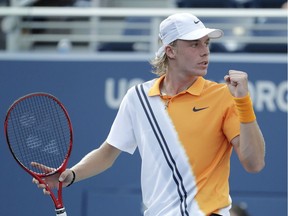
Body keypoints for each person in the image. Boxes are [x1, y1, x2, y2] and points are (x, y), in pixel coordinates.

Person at [33, 13, 266, 216]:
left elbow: (254, 163)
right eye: (194, 44)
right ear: (170, 51)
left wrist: (243, 102)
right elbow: (108, 152)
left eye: (206, 44)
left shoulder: (223, 96)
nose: (205, 51)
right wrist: (71, 175)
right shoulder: (138, 98)